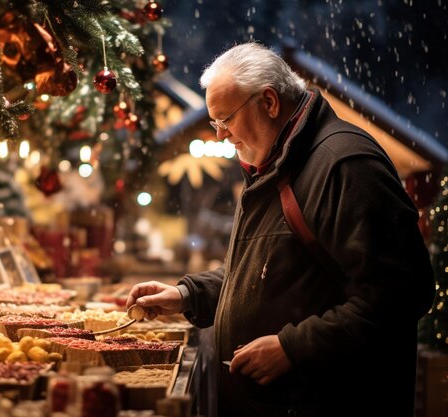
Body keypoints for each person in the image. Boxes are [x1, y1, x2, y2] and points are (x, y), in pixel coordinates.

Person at [127, 42, 436, 417]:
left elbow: (402, 292)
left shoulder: (344, 165)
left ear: (269, 103)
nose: (221, 135)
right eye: (215, 123)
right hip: (276, 402)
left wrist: (294, 348)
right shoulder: (275, 165)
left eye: (225, 120)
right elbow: (268, 274)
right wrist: (186, 295)